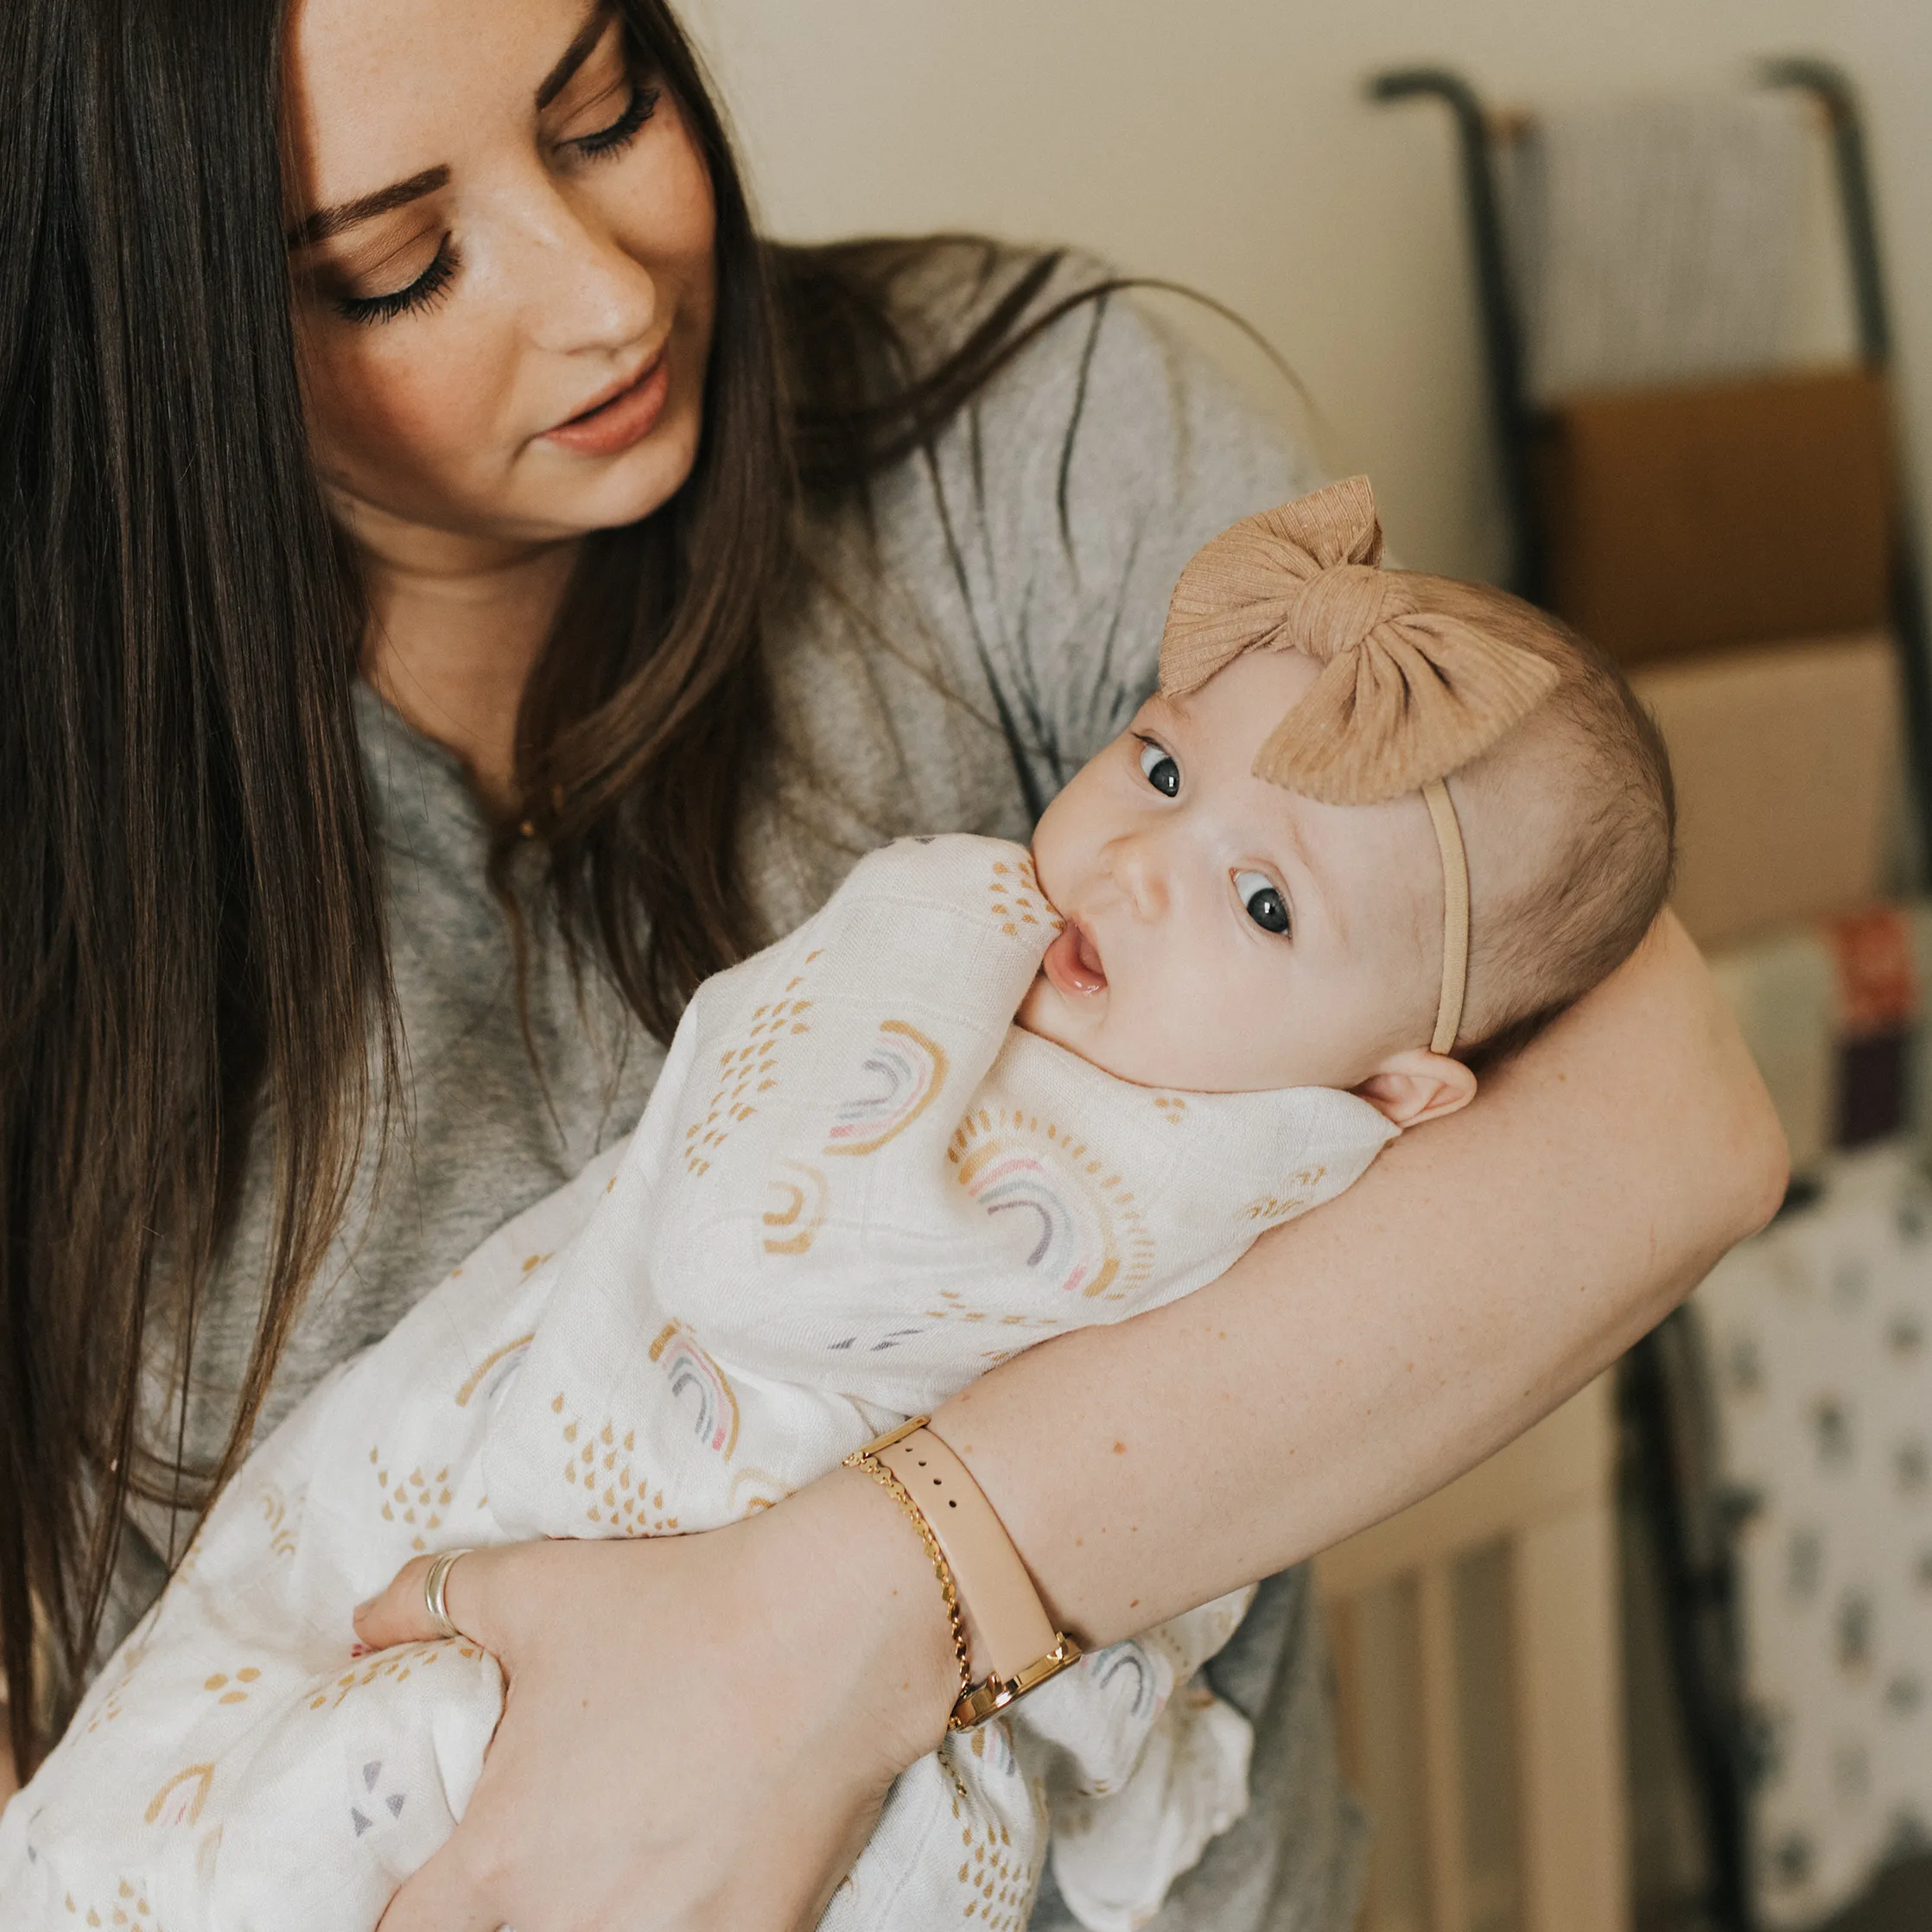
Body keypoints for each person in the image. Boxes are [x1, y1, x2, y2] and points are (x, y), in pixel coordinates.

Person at [0, 1, 1785, 1928]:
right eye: (398, 261)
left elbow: (1658, 1118)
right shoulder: (68, 779)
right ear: (156, 308)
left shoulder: (1014, 438)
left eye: (607, 112)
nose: (605, 297)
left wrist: (834, 1631)